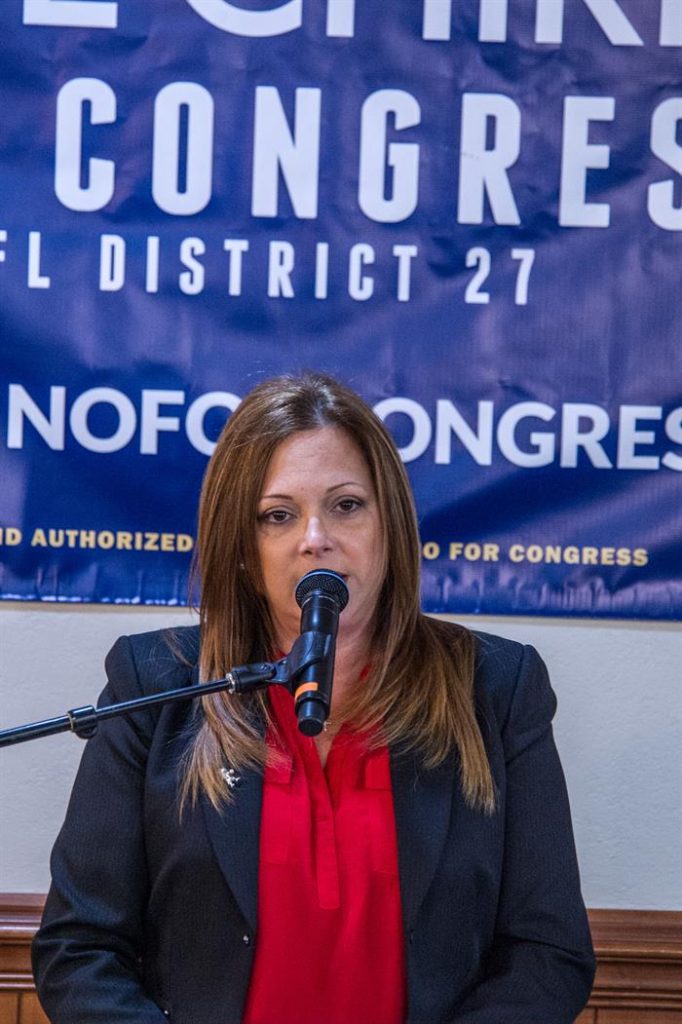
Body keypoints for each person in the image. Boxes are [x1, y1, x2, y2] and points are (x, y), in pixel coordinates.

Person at [32, 372, 596, 1024]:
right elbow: (79, 949)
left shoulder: (497, 687)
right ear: (245, 549)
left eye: (347, 505)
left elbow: (547, 952)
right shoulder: (156, 683)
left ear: (391, 524)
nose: (315, 537)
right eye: (279, 515)